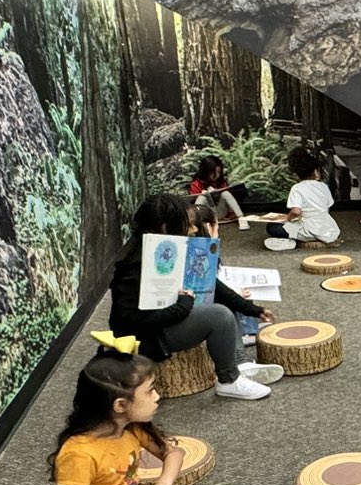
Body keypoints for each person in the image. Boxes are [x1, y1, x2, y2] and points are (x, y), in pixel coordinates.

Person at [51, 346, 327, 485]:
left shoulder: (129, 428)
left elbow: (174, 453)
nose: (157, 396)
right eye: (149, 391)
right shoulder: (79, 454)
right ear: (120, 406)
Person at [109, 195, 279, 401]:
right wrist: (183, 306)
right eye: (188, 225)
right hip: (147, 338)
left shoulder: (170, 250)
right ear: (165, 227)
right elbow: (130, 321)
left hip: (168, 319)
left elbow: (213, 287)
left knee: (221, 305)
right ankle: (229, 380)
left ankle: (240, 362)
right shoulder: (135, 266)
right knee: (219, 316)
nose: (195, 229)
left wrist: (253, 310)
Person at [264, 148, 340, 253]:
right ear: (315, 171)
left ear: (297, 174)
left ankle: (292, 240)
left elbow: (296, 211)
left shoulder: (297, 188)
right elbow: (328, 205)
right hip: (328, 228)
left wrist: (287, 219)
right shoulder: (323, 186)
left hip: (308, 229)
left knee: (272, 227)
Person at [188, 155, 246, 229]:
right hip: (206, 213)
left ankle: (242, 219)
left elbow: (229, 199)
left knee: (226, 193)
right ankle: (196, 223)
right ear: (206, 171)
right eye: (213, 172)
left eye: (218, 172)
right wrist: (202, 194)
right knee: (202, 197)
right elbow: (192, 201)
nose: (216, 175)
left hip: (220, 211)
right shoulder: (196, 184)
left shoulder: (221, 182)